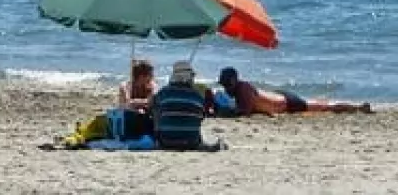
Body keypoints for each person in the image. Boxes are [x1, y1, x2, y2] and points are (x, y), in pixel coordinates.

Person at [217, 67, 371, 115]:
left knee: (323, 107)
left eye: (226, 85)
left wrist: (220, 110)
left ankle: (358, 107)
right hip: (277, 97)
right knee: (319, 104)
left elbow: (244, 111)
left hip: (286, 103)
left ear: (233, 82)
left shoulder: (243, 89)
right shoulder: (241, 89)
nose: (225, 88)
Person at [150, 61, 214, 150]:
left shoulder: (163, 93)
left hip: (165, 142)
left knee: (156, 110)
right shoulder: (197, 96)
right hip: (192, 142)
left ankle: (159, 136)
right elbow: (201, 117)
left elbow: (152, 108)